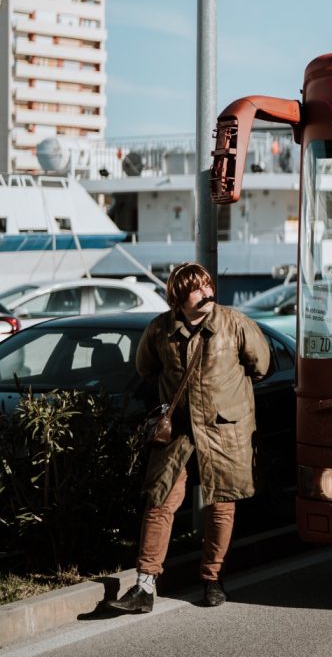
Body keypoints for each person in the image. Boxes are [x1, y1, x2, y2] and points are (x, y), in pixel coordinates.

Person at [107, 262, 270, 613]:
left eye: (209, 285)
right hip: (179, 428)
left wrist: (226, 399)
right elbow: (147, 369)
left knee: (221, 503)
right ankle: (144, 585)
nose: (207, 292)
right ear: (179, 297)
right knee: (160, 501)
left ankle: (213, 580)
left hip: (225, 428)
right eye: (198, 288)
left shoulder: (235, 324)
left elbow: (260, 366)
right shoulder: (159, 331)